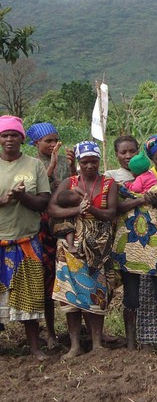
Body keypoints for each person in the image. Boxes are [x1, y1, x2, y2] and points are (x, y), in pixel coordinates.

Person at [49, 141, 117, 358]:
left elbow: (110, 214)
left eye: (94, 162)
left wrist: (92, 209)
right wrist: (77, 209)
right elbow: (52, 208)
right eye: (85, 162)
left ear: (98, 161)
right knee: (71, 296)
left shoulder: (108, 183)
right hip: (70, 246)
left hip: (98, 245)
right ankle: (75, 345)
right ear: (78, 162)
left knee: (96, 294)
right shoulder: (69, 182)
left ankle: (97, 343)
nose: (89, 166)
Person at [113, 135, 157, 355]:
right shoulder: (121, 181)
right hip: (130, 242)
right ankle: (131, 343)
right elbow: (117, 206)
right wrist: (143, 199)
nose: (128, 156)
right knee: (130, 293)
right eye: (124, 152)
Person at [0, 115, 51, 360]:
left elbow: (44, 201)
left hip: (27, 240)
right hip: (0, 239)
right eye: (4, 135)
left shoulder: (34, 165)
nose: (9, 139)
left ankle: (34, 347)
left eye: (14, 135)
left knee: (30, 295)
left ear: (22, 138)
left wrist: (23, 198)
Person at [26, 121, 76, 348]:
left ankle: (76, 330)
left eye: (56, 140)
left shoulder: (65, 161)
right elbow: (36, 193)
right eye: (48, 141)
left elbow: (74, 187)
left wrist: (72, 167)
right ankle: (51, 333)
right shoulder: (31, 164)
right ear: (36, 143)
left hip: (65, 222)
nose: (54, 144)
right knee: (46, 281)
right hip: (42, 227)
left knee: (70, 275)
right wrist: (52, 165)